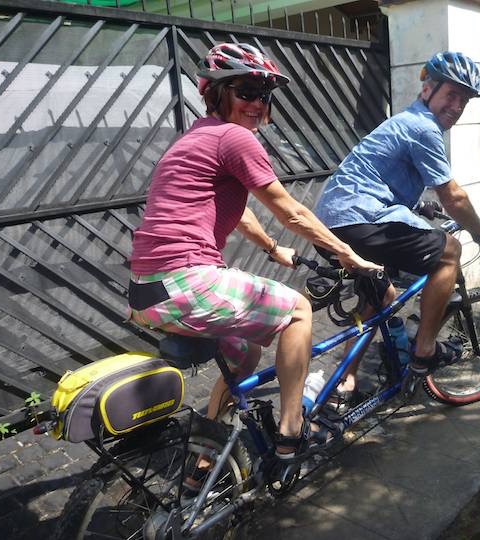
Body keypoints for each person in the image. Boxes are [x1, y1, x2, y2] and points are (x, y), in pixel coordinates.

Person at [127, 42, 382, 460]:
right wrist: (348, 256)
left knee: (246, 354)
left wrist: (273, 249)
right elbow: (291, 210)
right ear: (216, 92)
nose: (257, 103)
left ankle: (204, 457)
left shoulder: (197, 137)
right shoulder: (233, 138)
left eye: (264, 94)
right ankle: (291, 432)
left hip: (148, 292)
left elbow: (239, 210)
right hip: (187, 281)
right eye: (246, 90)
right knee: (299, 311)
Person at [314, 51, 480, 409]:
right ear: (427, 89)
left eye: (464, 100)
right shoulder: (423, 127)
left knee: (376, 298)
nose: (457, 104)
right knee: (449, 251)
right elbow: (454, 197)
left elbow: (380, 178)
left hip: (334, 220)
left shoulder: (404, 122)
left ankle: (346, 381)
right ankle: (425, 351)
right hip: (358, 219)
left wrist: (419, 208)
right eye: (451, 94)